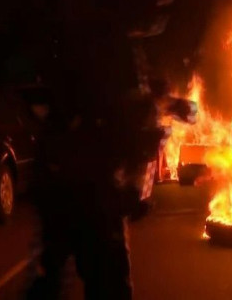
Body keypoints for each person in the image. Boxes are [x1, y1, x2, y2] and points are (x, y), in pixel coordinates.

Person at [26, 26, 165, 299]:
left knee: (51, 274)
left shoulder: (65, 38)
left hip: (62, 183)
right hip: (95, 189)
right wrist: (138, 188)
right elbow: (141, 124)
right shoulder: (119, 48)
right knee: (107, 282)